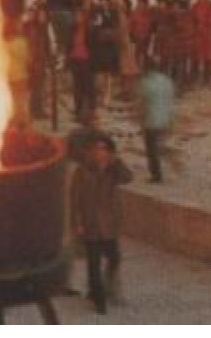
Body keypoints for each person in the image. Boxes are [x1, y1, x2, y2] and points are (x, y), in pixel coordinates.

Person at [72, 135, 132, 314]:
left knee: (114, 257)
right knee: (93, 262)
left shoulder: (114, 170)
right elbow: (73, 198)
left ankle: (103, 288)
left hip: (109, 223)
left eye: (104, 149)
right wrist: (76, 222)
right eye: (97, 148)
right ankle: (98, 298)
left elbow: (128, 178)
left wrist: (117, 162)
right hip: (90, 223)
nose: (100, 152)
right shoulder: (82, 171)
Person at [137, 59, 176, 183]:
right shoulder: (166, 81)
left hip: (151, 120)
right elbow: (171, 100)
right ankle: (167, 166)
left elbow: (142, 104)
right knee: (159, 145)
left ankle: (156, 175)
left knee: (151, 150)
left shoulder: (145, 83)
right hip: (165, 118)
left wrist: (140, 119)